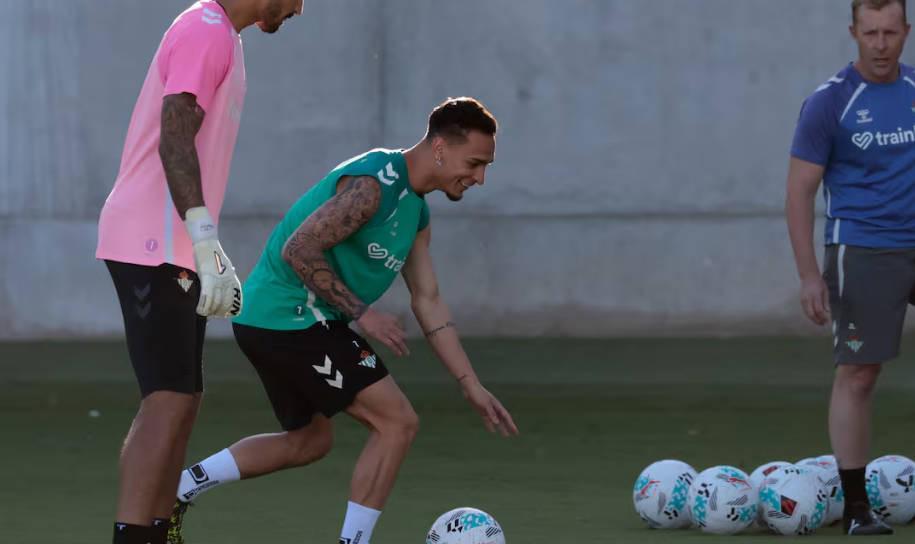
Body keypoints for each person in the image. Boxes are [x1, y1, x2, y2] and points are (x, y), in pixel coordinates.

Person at [167, 97, 519, 544]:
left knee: (310, 440)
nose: (479, 178)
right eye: (474, 163)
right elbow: (299, 249)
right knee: (397, 422)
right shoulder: (374, 185)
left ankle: (179, 489)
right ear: (439, 148)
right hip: (289, 316)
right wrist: (363, 314)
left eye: (485, 167)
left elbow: (428, 300)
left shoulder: (416, 211)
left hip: (285, 320)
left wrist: (470, 384)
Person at [96, 1, 304, 542]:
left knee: (183, 398)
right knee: (167, 397)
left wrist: (205, 247)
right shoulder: (206, 29)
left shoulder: (224, 36)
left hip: (175, 242)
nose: (300, 8)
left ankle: (157, 529)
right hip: (151, 240)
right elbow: (174, 136)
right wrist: (204, 240)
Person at [786, 0, 913, 535]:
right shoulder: (829, 102)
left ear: (906, 32)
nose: (881, 44)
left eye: (890, 32)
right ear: (853, 33)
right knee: (860, 373)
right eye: (871, 33)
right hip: (864, 249)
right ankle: (858, 509)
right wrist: (809, 275)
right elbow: (799, 192)